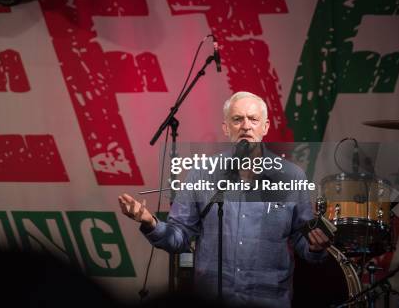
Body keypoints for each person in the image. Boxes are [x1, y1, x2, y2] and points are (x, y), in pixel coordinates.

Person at [119, 91, 330, 307]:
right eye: (237, 119)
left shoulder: (291, 176)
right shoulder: (202, 173)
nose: (246, 126)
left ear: (265, 127)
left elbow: (303, 240)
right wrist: (150, 223)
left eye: (253, 119)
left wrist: (315, 247)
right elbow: (179, 236)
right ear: (226, 128)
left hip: (269, 300)